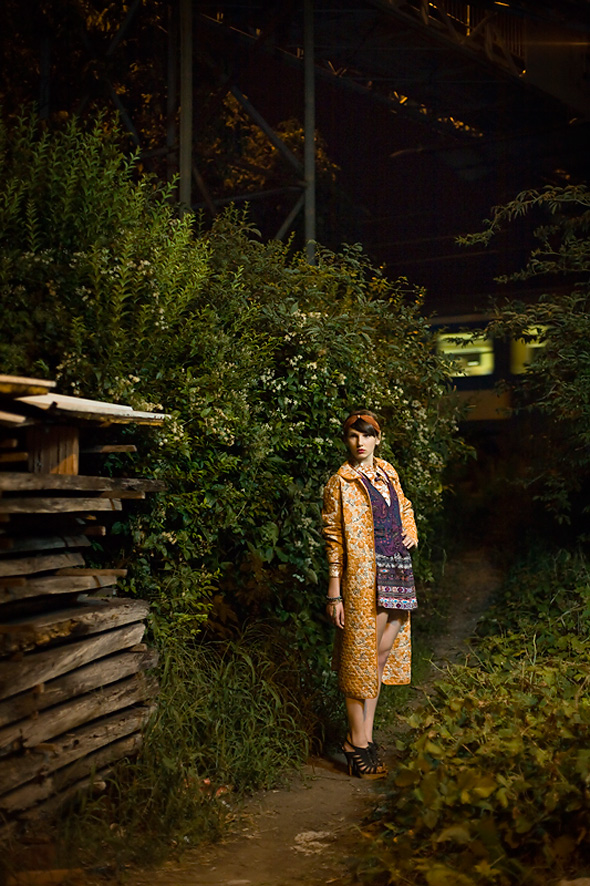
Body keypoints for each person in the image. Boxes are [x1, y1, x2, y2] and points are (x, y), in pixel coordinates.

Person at [322, 409, 418, 779]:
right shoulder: (340, 482)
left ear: (377, 438)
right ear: (346, 440)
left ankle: (366, 735)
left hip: (397, 569)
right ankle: (356, 741)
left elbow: (404, 506)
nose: (359, 442)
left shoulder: (388, 471)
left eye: (366, 435)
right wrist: (335, 591)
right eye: (352, 435)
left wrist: (411, 529)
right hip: (365, 578)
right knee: (360, 659)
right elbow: (333, 537)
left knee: (379, 656)